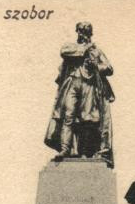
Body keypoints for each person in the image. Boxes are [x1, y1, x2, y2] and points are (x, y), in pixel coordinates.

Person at [45, 21, 114, 165]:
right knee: (68, 116)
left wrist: (96, 65)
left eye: (86, 32)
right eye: (81, 31)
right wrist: (85, 49)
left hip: (89, 85)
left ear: (90, 34)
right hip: (72, 83)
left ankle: (85, 152)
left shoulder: (97, 51)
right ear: (77, 32)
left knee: (86, 119)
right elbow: (64, 52)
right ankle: (65, 149)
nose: (83, 34)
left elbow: (109, 68)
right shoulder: (71, 46)